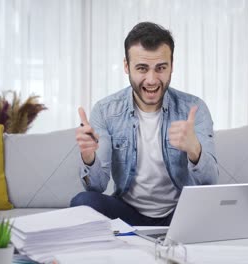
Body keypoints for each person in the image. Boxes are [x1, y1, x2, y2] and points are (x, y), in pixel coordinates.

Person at [70, 22, 218, 226]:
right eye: (142, 68)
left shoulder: (194, 108)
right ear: (126, 66)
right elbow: (96, 187)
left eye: (161, 68)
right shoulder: (105, 111)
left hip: (180, 213)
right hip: (127, 212)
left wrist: (195, 150)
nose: (151, 80)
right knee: (82, 203)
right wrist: (88, 158)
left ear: (172, 66)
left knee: (212, 207)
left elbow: (210, 183)